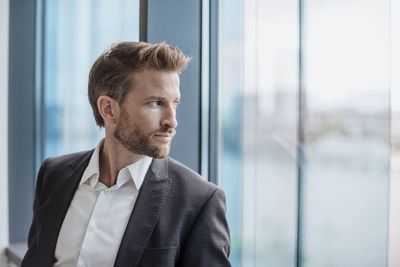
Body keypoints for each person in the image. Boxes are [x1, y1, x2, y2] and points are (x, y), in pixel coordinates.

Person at [21, 42, 231, 267]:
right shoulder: (54, 174)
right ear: (109, 109)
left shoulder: (199, 200)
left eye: (174, 104)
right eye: (156, 103)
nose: (171, 121)